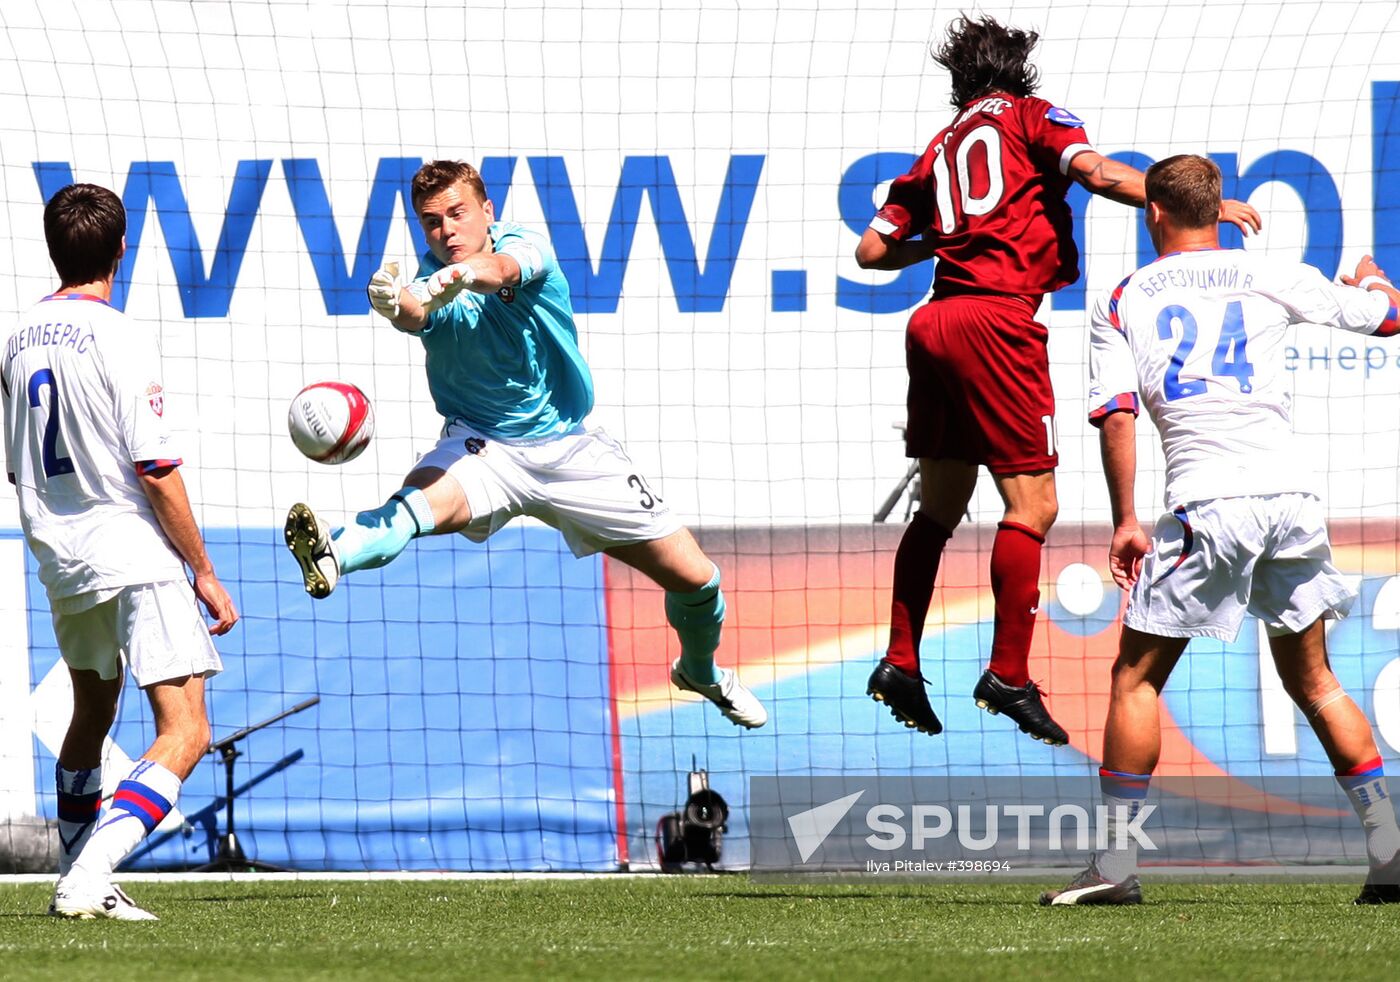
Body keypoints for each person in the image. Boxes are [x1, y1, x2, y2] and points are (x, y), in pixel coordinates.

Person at [856, 14, 1261, 744]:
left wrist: (945, 243)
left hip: (935, 319)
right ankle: (1007, 674)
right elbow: (1097, 172)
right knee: (1034, 505)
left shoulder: (937, 149)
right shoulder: (1032, 116)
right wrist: (1190, 207)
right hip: (996, 322)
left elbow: (870, 249)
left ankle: (901, 659)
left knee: (941, 506)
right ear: (1018, 71)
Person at [284, 159, 766, 729]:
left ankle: (700, 672)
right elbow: (416, 311)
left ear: (487, 210)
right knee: (411, 511)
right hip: (484, 449)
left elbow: (500, 269)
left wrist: (447, 282)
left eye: (458, 214)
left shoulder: (523, 247)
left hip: (574, 451)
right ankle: (333, 553)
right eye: (432, 222)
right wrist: (395, 306)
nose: (447, 231)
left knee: (698, 581)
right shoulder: (428, 278)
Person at [1041, 154, 1400, 906]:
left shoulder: (1124, 297)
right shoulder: (1273, 271)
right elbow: (1389, 317)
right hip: (1291, 500)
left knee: (1135, 678)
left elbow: (1117, 415)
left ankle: (1114, 868)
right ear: (1221, 211)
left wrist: (1125, 520)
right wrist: (1370, 275)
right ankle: (1390, 855)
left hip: (1209, 503)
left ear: (1154, 214)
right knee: (1313, 678)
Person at [2, 184, 239, 919]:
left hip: (60, 554)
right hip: (130, 550)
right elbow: (156, 469)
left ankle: (80, 875)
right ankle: (87, 875)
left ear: (53, 248)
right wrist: (202, 570)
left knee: (92, 711)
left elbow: (17, 466)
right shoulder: (119, 334)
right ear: (122, 249)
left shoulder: (16, 338)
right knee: (187, 729)